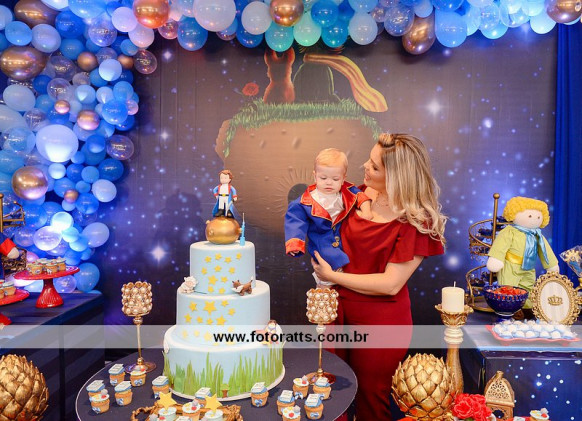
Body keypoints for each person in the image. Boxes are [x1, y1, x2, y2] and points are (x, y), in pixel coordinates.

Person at [311, 134, 446, 421]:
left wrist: (332, 275)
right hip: (337, 312)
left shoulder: (416, 220)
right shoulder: (356, 195)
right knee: (331, 395)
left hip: (381, 323)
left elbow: (390, 284)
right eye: (369, 161)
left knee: (371, 399)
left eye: (374, 166)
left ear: (396, 177)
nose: (365, 167)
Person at [284, 148, 372, 283]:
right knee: (326, 262)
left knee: (357, 252)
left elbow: (360, 196)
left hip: (344, 236)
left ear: (343, 179)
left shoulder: (347, 191)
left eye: (335, 179)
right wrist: (295, 243)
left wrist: (366, 211)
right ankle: (327, 283)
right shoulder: (306, 201)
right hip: (322, 239)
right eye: (323, 178)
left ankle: (345, 277)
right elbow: (295, 220)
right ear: (315, 176)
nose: (329, 182)